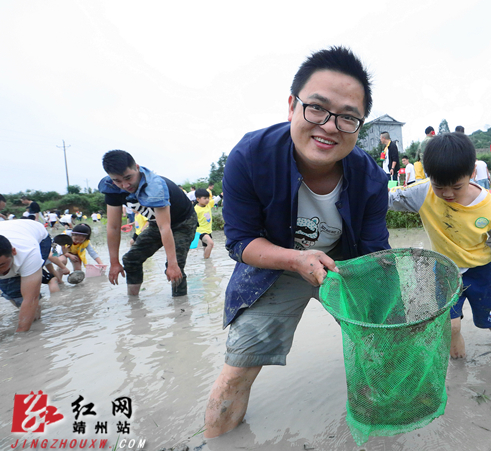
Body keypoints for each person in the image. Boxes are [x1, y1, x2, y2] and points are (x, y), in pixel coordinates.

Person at [203, 46, 390, 438]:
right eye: (317, 108)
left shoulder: (371, 178)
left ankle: (382, 432)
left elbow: (374, 247)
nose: (329, 126)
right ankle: (218, 440)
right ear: (292, 105)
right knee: (236, 369)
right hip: (274, 261)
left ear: (360, 125)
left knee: (382, 345)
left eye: (348, 117)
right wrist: (293, 260)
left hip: (344, 263)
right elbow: (239, 241)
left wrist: (389, 301)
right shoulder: (250, 157)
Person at [388, 133, 491, 358]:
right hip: (444, 272)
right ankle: (460, 377)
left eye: (456, 187)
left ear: (472, 174)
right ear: (429, 177)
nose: (447, 193)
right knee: (452, 327)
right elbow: (386, 199)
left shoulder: (490, 207)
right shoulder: (423, 192)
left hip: (481, 273)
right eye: (439, 187)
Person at [99, 150, 197, 297]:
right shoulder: (112, 188)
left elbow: (165, 227)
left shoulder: (155, 187)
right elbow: (113, 227)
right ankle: (133, 303)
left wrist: (172, 263)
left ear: (137, 168)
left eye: (128, 178)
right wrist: (114, 262)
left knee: (175, 267)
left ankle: (181, 310)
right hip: (155, 223)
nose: (125, 185)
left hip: (182, 222)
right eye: (117, 180)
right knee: (130, 260)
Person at [0, 220, 68, 332]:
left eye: (1, 265)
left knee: (26, 298)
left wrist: (21, 337)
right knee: (11, 291)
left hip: (39, 236)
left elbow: (30, 298)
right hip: (13, 232)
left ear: (14, 252)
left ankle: (35, 318)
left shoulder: (29, 253)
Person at [194, 188, 216, 259]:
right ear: (198, 199)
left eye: (208, 198)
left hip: (208, 231)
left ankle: (207, 266)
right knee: (210, 243)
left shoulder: (208, 205)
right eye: (205, 198)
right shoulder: (195, 209)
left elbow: (217, 199)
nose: (207, 200)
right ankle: (206, 260)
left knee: (206, 247)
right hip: (200, 231)